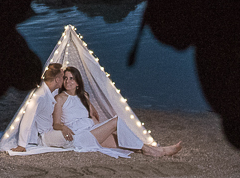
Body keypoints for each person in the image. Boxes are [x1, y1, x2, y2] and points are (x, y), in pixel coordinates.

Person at [54, 66, 183, 158]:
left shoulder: (84, 96)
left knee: (124, 143)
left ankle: (161, 150)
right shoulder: (60, 99)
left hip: (90, 132)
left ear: (77, 82)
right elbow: (56, 124)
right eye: (65, 78)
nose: (67, 81)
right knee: (116, 121)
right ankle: (153, 151)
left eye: (71, 78)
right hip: (78, 137)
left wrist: (100, 129)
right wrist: (63, 127)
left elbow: (93, 117)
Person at [11, 63, 71, 152]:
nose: (64, 80)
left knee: (74, 132)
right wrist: (22, 145)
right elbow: (27, 119)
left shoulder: (49, 92)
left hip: (51, 131)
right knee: (73, 137)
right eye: (63, 77)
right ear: (57, 79)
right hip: (45, 136)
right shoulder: (40, 96)